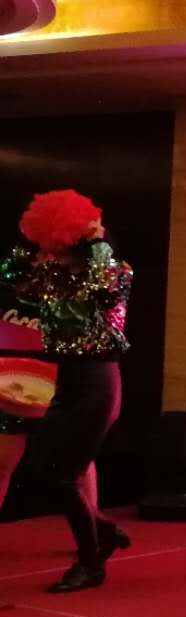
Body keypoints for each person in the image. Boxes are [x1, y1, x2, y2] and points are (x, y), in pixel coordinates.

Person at [4, 191, 133, 594]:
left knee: (66, 477)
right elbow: (9, 275)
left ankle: (90, 563)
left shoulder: (115, 272)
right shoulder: (53, 277)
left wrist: (96, 242)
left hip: (98, 381)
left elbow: (105, 291)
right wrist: (31, 242)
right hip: (68, 380)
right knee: (43, 469)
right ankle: (103, 531)